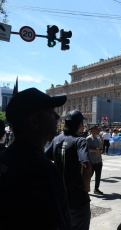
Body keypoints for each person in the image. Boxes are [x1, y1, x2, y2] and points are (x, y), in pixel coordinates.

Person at [0, 88, 71, 229]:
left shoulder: (6, 156)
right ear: (34, 122)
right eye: (51, 112)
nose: (57, 117)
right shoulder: (42, 170)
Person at [46, 109, 92, 230]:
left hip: (59, 196)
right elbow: (86, 165)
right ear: (80, 124)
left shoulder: (56, 140)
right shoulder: (80, 141)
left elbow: (45, 158)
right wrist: (86, 187)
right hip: (77, 199)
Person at [87, 125, 104, 195]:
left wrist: (101, 158)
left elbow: (99, 149)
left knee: (98, 176)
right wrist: (95, 151)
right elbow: (86, 149)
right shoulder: (88, 139)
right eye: (96, 129)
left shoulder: (98, 138)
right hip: (91, 161)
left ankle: (96, 189)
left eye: (98, 129)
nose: (98, 130)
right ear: (92, 131)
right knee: (89, 176)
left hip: (98, 161)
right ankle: (85, 188)